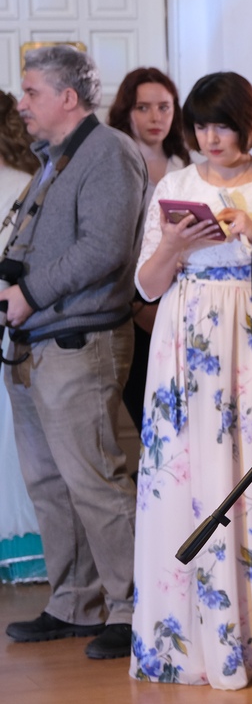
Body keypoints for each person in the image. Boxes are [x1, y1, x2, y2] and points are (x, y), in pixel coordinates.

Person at [129, 71, 252, 688]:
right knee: (181, 474)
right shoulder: (176, 186)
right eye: (201, 127)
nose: (211, 138)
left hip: (251, 339)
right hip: (184, 343)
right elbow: (147, 286)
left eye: (222, 125)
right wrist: (174, 245)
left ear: (248, 123)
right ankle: (186, 641)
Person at [2, 45, 147, 660]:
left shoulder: (108, 152)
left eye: (31, 91)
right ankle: (74, 601)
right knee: (50, 481)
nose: (21, 103)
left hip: (78, 342)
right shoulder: (54, 158)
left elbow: (103, 249)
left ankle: (134, 607)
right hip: (35, 344)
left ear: (68, 97)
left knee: (96, 481)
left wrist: (29, 293)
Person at [107, 67, 191, 433]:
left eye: (164, 107)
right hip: (129, 302)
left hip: (179, 298)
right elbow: (110, 243)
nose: (156, 117)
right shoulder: (113, 164)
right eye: (143, 108)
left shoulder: (186, 165)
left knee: (182, 413)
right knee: (147, 414)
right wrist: (138, 306)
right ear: (126, 112)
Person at [0, 91, 44, 584]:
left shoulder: (25, 184)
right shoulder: (28, 181)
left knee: (13, 442)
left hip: (12, 325)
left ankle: (22, 548)